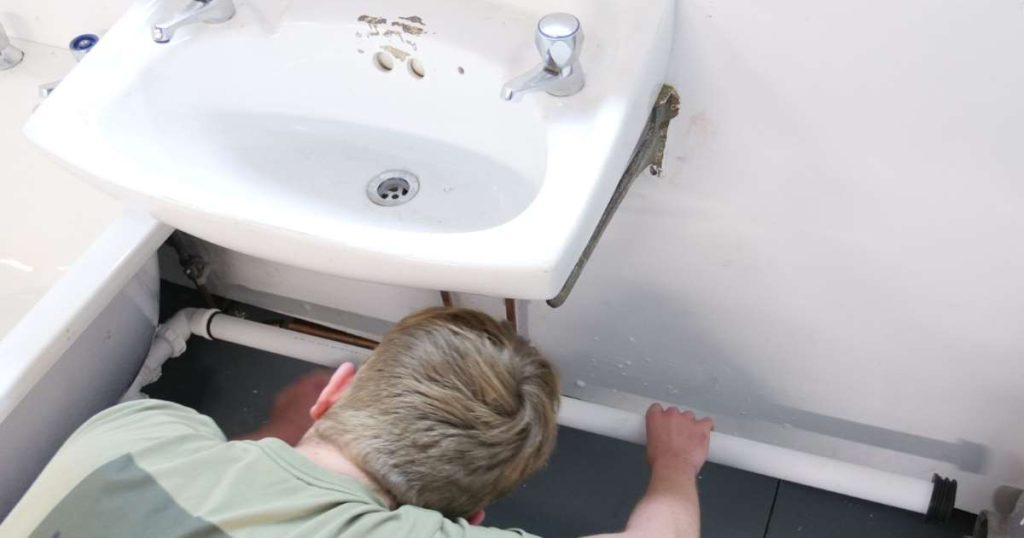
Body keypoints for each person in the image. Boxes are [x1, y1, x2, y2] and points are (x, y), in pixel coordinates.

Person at [1, 307, 713, 538]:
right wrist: (675, 464)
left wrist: (280, 429)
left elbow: (231, 495)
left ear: (333, 391)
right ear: (471, 514)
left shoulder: (135, 432)